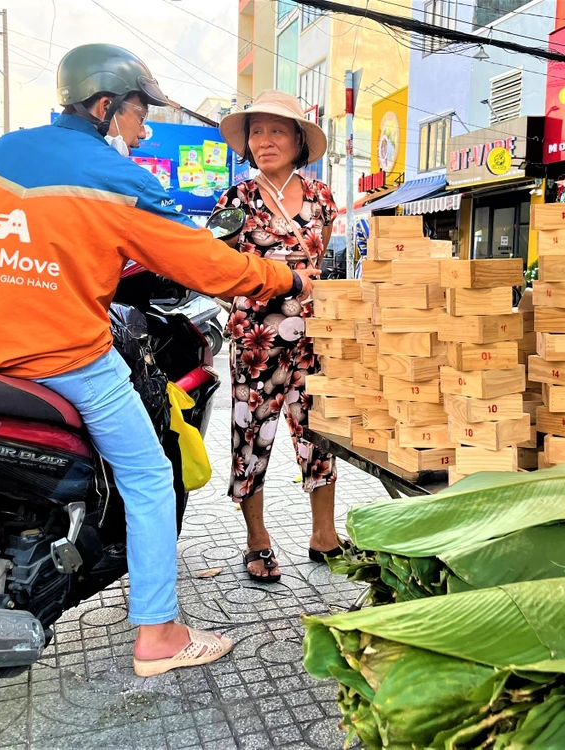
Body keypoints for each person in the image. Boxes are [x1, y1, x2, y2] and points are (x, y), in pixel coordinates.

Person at [0, 45, 318, 676]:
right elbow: (204, 264)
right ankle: (159, 634)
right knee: (148, 477)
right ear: (106, 105)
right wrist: (282, 279)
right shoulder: (119, 178)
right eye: (139, 112)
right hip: (62, 357)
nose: (144, 126)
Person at [212, 90, 345, 583]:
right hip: (256, 341)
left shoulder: (321, 198)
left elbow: (318, 259)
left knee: (319, 432)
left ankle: (324, 536)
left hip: (314, 335)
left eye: (275, 130)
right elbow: (215, 269)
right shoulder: (235, 200)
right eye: (256, 131)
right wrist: (248, 307)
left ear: (298, 140)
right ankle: (258, 541)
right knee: (251, 435)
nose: (264, 141)